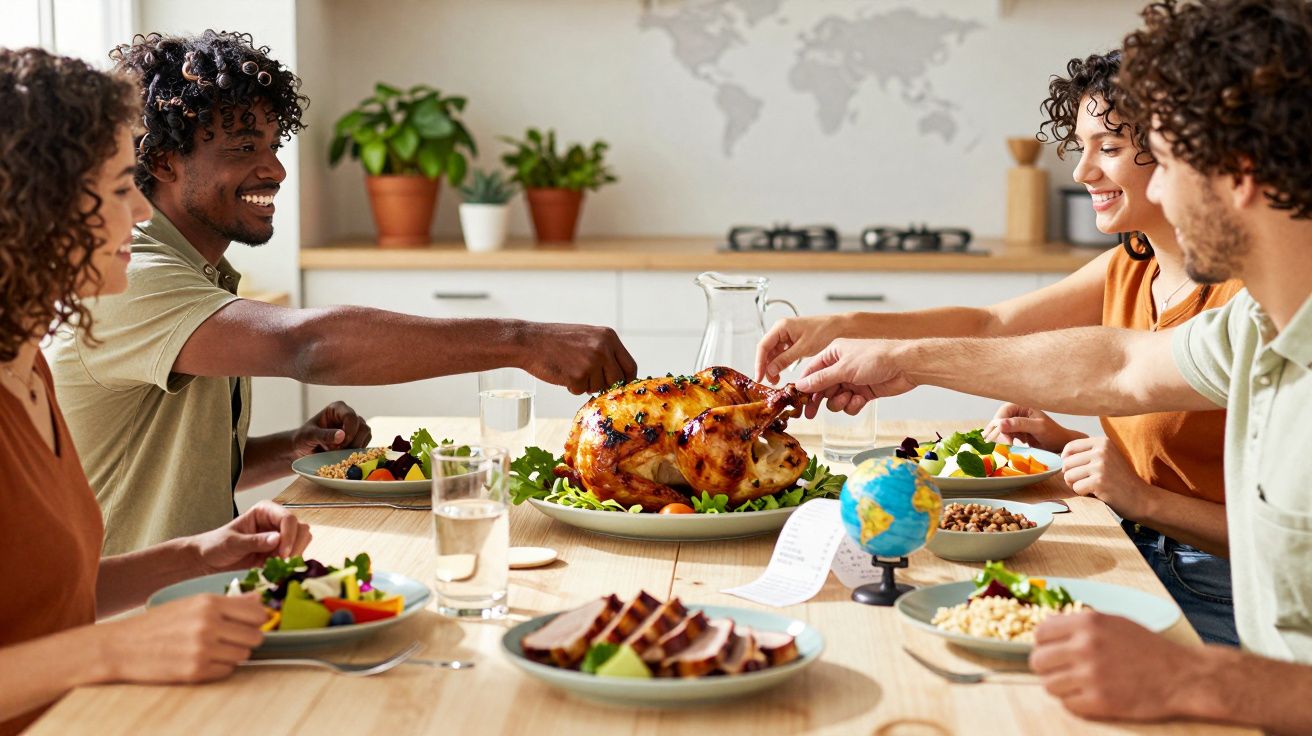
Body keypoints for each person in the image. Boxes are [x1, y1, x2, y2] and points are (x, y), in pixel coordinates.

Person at [794, 0, 1312, 730]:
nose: (1159, 190)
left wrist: (1195, 678)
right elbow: (1119, 364)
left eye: (1167, 161)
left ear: (1242, 171)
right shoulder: (1256, 327)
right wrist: (905, 356)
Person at [46, 30, 638, 555]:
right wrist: (522, 340)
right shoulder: (127, 274)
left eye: (273, 145)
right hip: (123, 620)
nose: (275, 169)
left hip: (193, 598)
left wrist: (291, 448)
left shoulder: (197, 273)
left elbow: (164, 470)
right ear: (164, 162)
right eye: (244, 148)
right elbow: (306, 346)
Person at [757, 50, 1242, 644]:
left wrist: (1143, 499)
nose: (1082, 171)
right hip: (1131, 543)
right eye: (1081, 147)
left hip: (1216, 586)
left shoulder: (1249, 301)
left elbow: (1284, 535)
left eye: (1109, 148)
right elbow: (992, 324)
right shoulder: (1131, 265)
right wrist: (847, 325)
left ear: (1185, 153)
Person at [0, 48, 313, 735]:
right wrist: (116, 648)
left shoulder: (28, 372)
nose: (142, 208)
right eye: (119, 188)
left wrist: (197, 556)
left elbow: (47, 601)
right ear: (35, 206)